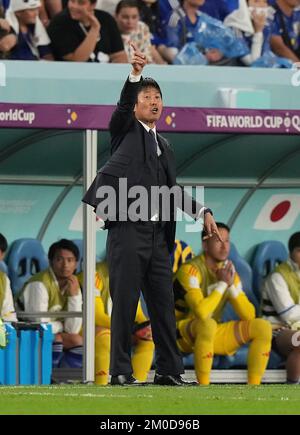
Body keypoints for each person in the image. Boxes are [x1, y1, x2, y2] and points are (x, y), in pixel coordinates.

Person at [82, 44, 220, 385]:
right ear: (136, 105)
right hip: (128, 231)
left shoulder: (167, 146)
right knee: (125, 304)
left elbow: (173, 191)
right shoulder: (123, 132)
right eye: (147, 97)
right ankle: (120, 372)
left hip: (159, 237)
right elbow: (122, 106)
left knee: (163, 305)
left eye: (157, 97)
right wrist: (135, 76)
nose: (153, 101)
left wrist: (202, 211)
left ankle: (170, 370)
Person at [173, 222, 272, 385]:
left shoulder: (228, 271)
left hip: (209, 334)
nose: (225, 246)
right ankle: (203, 386)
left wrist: (231, 285)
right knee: (207, 324)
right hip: (178, 333)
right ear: (205, 244)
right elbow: (201, 313)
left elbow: (249, 315)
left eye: (227, 241)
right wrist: (222, 285)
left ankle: (254, 387)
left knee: (262, 327)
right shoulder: (190, 270)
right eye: (219, 240)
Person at [78, 260, 154, 385]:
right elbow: (96, 316)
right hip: (88, 326)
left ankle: (137, 382)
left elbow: (137, 312)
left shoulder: (130, 276)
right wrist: (129, 328)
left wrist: (146, 326)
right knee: (106, 337)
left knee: (148, 339)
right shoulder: (94, 274)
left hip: (117, 328)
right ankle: (100, 385)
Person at [17, 239, 83, 367]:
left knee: (77, 339)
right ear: (51, 261)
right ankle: (47, 377)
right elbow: (40, 324)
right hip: (25, 329)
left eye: (70, 260)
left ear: (76, 264)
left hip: (50, 330)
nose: (65, 265)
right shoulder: (39, 283)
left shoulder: (74, 284)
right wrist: (61, 325)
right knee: (55, 338)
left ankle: (64, 379)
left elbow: (73, 329)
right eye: (60, 259)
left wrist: (74, 296)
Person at [261, 232, 300, 384]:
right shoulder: (277, 276)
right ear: (290, 253)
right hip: (275, 331)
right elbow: (288, 315)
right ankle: (293, 386)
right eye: (299, 250)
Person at [48, 0, 128, 63]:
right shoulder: (59, 23)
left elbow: (119, 56)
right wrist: (95, 29)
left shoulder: (106, 19)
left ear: (93, 5)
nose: (74, 6)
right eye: (72, 1)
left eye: (81, 3)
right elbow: (76, 61)